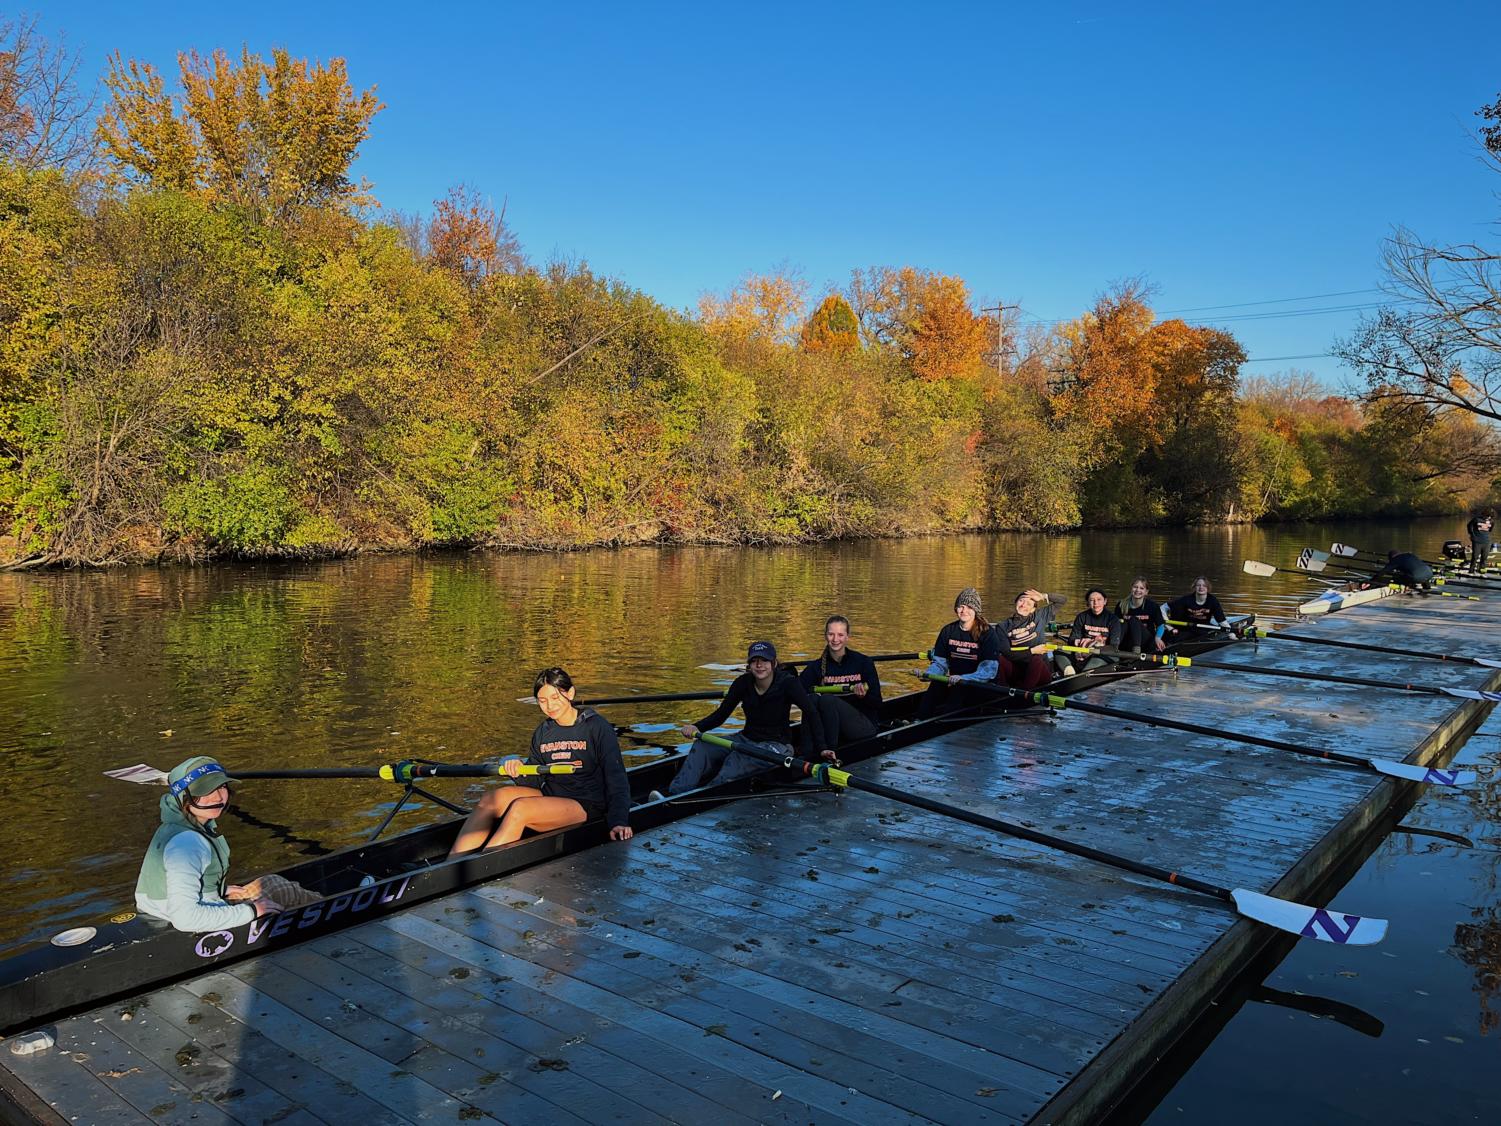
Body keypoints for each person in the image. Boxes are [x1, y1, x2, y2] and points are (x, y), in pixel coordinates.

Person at [449, 667, 633, 857]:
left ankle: (479, 869)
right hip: (551, 794)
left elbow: (617, 777)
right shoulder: (543, 731)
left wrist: (619, 820)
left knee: (521, 808)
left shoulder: (596, 727)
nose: (549, 706)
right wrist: (519, 770)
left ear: (570, 693)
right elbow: (536, 779)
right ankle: (450, 865)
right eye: (542, 701)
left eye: (555, 698)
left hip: (587, 803)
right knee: (491, 799)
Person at [135, 756, 314, 932]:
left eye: (221, 786)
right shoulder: (187, 843)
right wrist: (252, 911)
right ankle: (330, 909)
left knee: (272, 882)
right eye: (205, 790)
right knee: (285, 891)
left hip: (160, 911)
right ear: (183, 795)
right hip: (190, 923)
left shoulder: (172, 826)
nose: (218, 797)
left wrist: (219, 889)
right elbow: (185, 919)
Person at [662, 641, 830, 797]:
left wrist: (822, 748)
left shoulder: (788, 683)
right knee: (702, 746)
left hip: (778, 746)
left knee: (737, 758)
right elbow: (721, 715)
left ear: (774, 663)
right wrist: (696, 727)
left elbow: (811, 713)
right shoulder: (742, 683)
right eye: (754, 661)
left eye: (764, 660)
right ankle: (675, 794)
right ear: (749, 665)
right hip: (746, 738)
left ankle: (703, 796)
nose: (759, 665)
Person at [798, 615, 883, 753]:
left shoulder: (863, 662)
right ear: (825, 636)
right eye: (831, 634)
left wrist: (863, 696)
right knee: (811, 699)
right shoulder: (816, 667)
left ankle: (832, 751)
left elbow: (878, 703)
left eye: (840, 635)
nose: (835, 639)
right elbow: (796, 690)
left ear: (847, 637)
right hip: (832, 727)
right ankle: (807, 752)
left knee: (827, 699)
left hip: (863, 727)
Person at [919, 588, 1000, 717]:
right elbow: (940, 664)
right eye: (961, 607)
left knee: (959, 690)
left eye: (969, 607)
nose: (964, 611)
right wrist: (928, 674)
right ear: (956, 609)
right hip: (955, 681)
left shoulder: (988, 634)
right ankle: (920, 718)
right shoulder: (948, 631)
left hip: (980, 686)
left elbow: (989, 672)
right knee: (936, 685)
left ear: (976, 610)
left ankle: (941, 722)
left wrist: (964, 678)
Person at [996, 589, 1066, 690]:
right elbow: (1007, 653)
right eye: (1021, 601)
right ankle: (1001, 691)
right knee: (999, 659)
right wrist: (1032, 651)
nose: (1023, 605)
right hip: (1017, 670)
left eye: (1029, 603)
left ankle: (1024, 693)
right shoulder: (1002, 626)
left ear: (1033, 609)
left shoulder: (1039, 616)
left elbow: (1062, 600)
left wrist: (1043, 596)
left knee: (1036, 659)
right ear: (1016, 602)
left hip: (1040, 672)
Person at [1054, 588, 1122, 677]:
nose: (1096, 603)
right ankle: (1069, 673)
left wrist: (1093, 649)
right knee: (1059, 650)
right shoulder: (1082, 617)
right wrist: (1077, 645)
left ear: (1105, 601)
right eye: (1092, 600)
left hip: (1103, 654)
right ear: (1088, 603)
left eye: (1099, 600)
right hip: (1082, 651)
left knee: (1097, 658)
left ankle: (1084, 675)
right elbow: (1072, 639)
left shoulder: (1113, 619)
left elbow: (1114, 646)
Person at [1163, 576, 1232, 642]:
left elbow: (1222, 621)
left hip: (1203, 628)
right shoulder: (1186, 599)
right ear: (1194, 587)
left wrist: (1231, 633)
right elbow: (1163, 608)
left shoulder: (1213, 601)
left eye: (1204, 585)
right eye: (1198, 585)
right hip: (1186, 628)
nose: (1201, 587)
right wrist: (1169, 627)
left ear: (1208, 588)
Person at [1116, 577, 1167, 654]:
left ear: (1146, 592)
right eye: (1135, 587)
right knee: (1122, 623)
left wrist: (1158, 638)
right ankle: (1115, 647)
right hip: (1127, 641)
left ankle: (1136, 651)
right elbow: (1115, 625)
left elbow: (1161, 625)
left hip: (1145, 642)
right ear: (1131, 588)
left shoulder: (1152, 606)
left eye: (1141, 588)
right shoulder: (1121, 605)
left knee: (1133, 620)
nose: (1138, 590)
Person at [1363, 550, 1435, 590]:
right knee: (1417, 571)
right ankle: (1427, 587)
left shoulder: (1395, 560)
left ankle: (1408, 585)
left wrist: (1370, 582)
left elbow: (1382, 572)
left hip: (1416, 577)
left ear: (1391, 558)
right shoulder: (1410, 555)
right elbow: (1419, 567)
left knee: (1396, 578)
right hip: (1429, 573)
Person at [1467, 510, 1494, 574]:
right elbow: (1469, 525)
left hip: (1487, 542)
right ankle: (1471, 571)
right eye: (1488, 516)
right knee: (1475, 557)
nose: (1489, 517)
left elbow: (1490, 530)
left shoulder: (1492, 521)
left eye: (1490, 516)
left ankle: (1481, 571)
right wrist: (1472, 535)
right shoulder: (1476, 519)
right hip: (1477, 541)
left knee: (1484, 558)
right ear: (1483, 514)